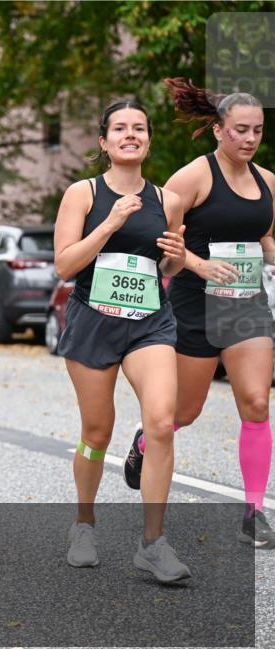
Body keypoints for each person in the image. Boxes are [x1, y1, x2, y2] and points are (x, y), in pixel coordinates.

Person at [125, 80, 275, 548]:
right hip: (196, 304)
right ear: (217, 130)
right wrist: (199, 263)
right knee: (184, 412)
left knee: (257, 404)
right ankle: (145, 442)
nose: (249, 139)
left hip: (247, 304)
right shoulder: (192, 178)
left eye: (257, 130)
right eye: (240, 130)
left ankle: (254, 512)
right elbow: (159, 239)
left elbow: (265, 238)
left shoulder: (268, 182)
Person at [54, 100, 190, 582]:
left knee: (161, 423)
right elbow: (64, 266)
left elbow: (167, 266)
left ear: (148, 141)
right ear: (104, 141)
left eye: (139, 128)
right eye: (120, 128)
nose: (130, 134)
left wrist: (176, 257)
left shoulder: (168, 200)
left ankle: (153, 543)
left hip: (150, 322)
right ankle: (84, 523)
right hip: (93, 320)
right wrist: (110, 223)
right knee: (97, 432)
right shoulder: (83, 193)